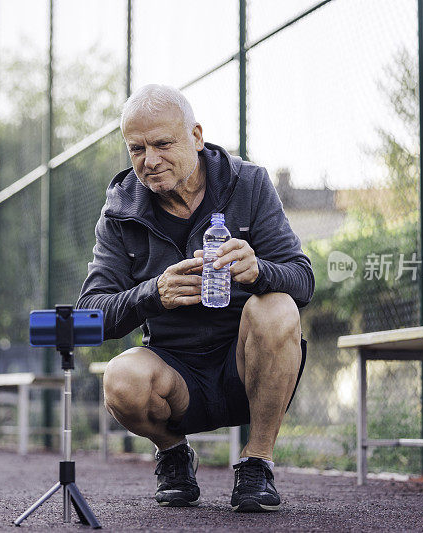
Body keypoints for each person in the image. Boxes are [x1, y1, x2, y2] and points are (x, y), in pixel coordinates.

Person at [77, 84, 314, 512]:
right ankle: (172, 452)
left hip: (246, 365)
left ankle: (257, 462)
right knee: (120, 378)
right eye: (137, 149)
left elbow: (303, 279)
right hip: (175, 372)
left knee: (277, 305)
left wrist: (260, 270)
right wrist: (153, 294)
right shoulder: (118, 213)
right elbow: (89, 316)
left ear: (197, 136)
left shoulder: (251, 184)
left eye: (163, 143)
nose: (150, 160)